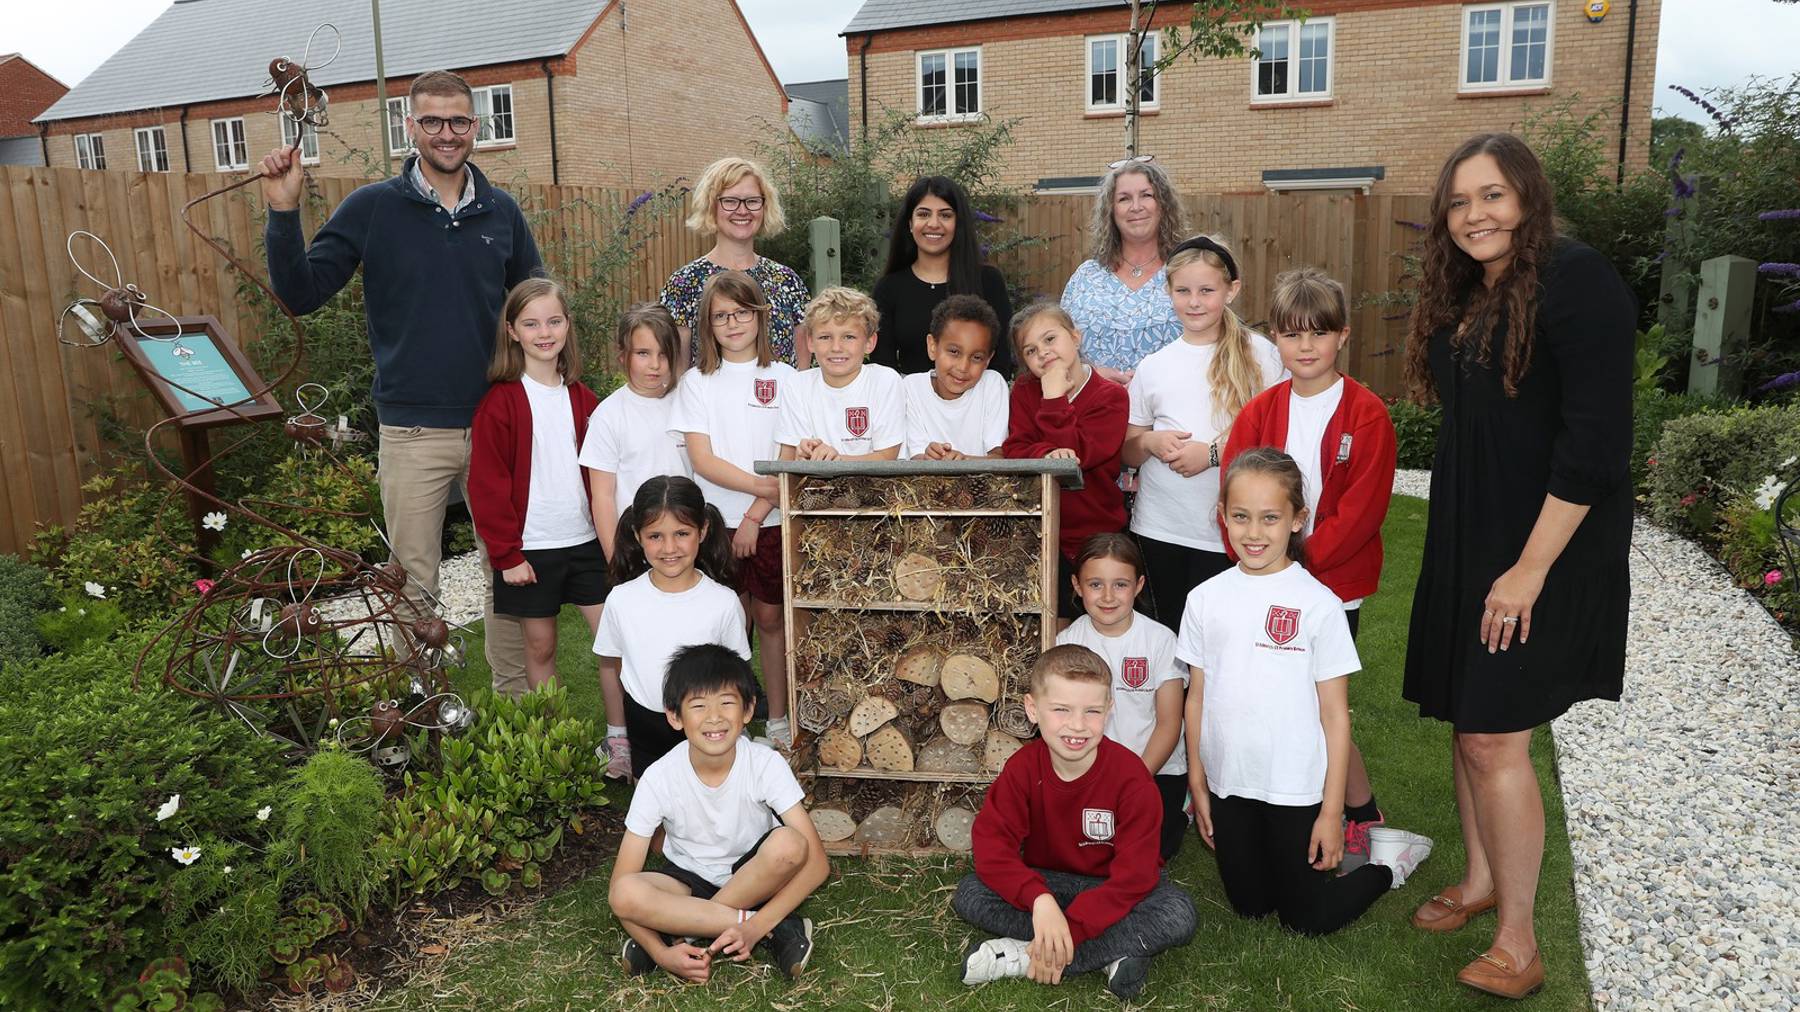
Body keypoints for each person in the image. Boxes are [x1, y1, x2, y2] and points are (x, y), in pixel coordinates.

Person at [1401, 133, 1634, 1000]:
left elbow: (1595, 446)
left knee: (1496, 732)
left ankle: (1519, 941)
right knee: (1469, 718)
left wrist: (1530, 569)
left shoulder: (1577, 280)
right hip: (1474, 536)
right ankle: (1480, 879)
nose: (1474, 216)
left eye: (1492, 195)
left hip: (1547, 545)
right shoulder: (1468, 292)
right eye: (1459, 202)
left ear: (1529, 196)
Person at [259, 70, 542, 696]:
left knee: (508, 568)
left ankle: (517, 705)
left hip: (496, 423)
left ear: (476, 127)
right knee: (413, 580)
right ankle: (422, 706)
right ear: (409, 126)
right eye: (432, 121)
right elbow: (301, 293)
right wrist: (283, 210)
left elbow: (535, 304)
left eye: (459, 121)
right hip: (413, 429)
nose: (447, 133)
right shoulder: (373, 208)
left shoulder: (501, 211)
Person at [1179, 448, 1434, 937]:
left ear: (1298, 519)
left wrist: (1332, 811)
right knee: (1250, 906)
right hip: (1231, 780)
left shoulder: (1319, 605)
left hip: (1294, 788)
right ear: (1222, 516)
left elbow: (1335, 717)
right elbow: (1197, 697)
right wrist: (1198, 781)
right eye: (1241, 516)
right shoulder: (1204, 599)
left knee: (1306, 919)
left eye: (1270, 518)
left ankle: (1389, 864)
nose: (1254, 532)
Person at [1221, 266, 1398, 868]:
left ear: (1342, 335)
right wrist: (1260, 563)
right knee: (1274, 700)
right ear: (1274, 338)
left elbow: (1361, 512)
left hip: (1332, 588)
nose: (1305, 346)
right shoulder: (1259, 412)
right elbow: (1233, 497)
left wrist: (1297, 570)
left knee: (1323, 708)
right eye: (1292, 334)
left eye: (1318, 333)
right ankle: (1281, 803)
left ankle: (1360, 812)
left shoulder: (1366, 414)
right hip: (1263, 580)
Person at [953, 643, 1196, 1001]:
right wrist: (1039, 900)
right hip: (1048, 882)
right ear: (1032, 709)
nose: (1077, 725)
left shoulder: (1132, 778)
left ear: (1109, 710)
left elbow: (1135, 876)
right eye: (1061, 709)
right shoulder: (1022, 769)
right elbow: (992, 848)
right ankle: (1114, 951)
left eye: (1092, 711)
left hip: (1114, 886)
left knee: (1177, 913)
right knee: (971, 894)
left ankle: (1025, 955)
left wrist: (1075, 927)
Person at [609, 644, 827, 983]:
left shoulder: (765, 763)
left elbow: (817, 864)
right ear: (675, 716)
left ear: (748, 709)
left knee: (789, 844)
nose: (714, 717)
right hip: (687, 880)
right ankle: (776, 928)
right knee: (626, 892)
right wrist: (662, 955)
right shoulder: (658, 777)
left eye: (726, 702)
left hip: (757, 873)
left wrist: (666, 939)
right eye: (698, 706)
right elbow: (619, 888)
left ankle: (683, 928)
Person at [1124, 235, 1282, 628]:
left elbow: (1276, 438)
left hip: (1234, 530)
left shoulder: (1261, 355)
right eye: (1183, 291)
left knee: (1227, 634)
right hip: (1161, 527)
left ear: (1232, 290)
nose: (1194, 302)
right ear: (1168, 292)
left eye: (1207, 291)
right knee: (1171, 634)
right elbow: (1127, 449)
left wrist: (1212, 454)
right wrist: (1150, 441)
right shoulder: (1154, 366)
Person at [671, 272, 794, 744]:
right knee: (729, 623)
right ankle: (732, 723)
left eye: (742, 312)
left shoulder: (786, 379)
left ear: (760, 316)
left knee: (772, 620)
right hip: (718, 523)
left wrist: (756, 514)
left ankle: (779, 720)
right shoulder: (697, 383)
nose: (733, 323)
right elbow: (703, 461)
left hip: (773, 521)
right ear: (708, 324)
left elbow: (788, 457)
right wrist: (757, 495)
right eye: (721, 316)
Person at [466, 279, 604, 693]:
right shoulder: (499, 404)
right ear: (512, 331)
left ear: (567, 325)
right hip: (532, 547)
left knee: (614, 641)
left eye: (554, 321)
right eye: (531, 324)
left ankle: (621, 728)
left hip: (587, 542)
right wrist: (507, 555)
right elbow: (487, 487)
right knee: (541, 647)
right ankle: (552, 731)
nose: (544, 333)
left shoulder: (586, 400)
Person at [579, 302, 691, 777]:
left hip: (683, 548)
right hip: (632, 552)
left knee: (685, 641)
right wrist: (616, 559)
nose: (655, 365)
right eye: (643, 354)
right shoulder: (609, 415)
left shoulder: (689, 402)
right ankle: (620, 737)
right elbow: (602, 495)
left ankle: (691, 729)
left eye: (664, 354)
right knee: (622, 648)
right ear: (623, 356)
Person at [593, 476, 748, 780]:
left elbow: (736, 675)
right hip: (644, 728)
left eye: (681, 533)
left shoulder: (723, 602)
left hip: (708, 729)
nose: (669, 548)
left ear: (703, 530)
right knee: (651, 805)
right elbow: (616, 663)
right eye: (655, 536)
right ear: (637, 535)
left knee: (710, 801)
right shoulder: (621, 600)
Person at [1054, 534, 1187, 860]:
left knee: (1145, 854)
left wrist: (1133, 782)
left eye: (1120, 585)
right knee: (1081, 852)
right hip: (1088, 769)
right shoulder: (1067, 643)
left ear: (1138, 585)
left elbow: (1169, 724)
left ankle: (1178, 812)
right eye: (1095, 584)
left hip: (1152, 770)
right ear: (1077, 585)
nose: (1108, 596)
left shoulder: (1160, 640)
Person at [1002, 302, 1128, 629]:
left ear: (1075, 337)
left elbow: (1078, 455)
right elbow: (1015, 448)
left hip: (1097, 531)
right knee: (1051, 623)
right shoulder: (1024, 391)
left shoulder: (1110, 396)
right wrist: (1046, 453)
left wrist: (1054, 398)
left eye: (1050, 339)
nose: (1042, 352)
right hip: (1043, 530)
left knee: (1100, 620)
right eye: (1030, 350)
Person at [660, 157, 810, 367]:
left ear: (765, 206)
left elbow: (803, 370)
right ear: (711, 206)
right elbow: (676, 370)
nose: (742, 210)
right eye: (730, 201)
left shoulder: (787, 281)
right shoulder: (683, 283)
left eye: (752, 201)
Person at [1059, 158, 1188, 386]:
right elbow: (1057, 346)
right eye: (1124, 198)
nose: (1136, 206)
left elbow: (1212, 346)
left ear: (1163, 205)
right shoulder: (1086, 277)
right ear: (1111, 210)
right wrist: (1088, 374)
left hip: (1170, 404)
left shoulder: (1187, 270)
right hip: (1094, 403)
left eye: (1146, 195)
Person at [871, 175, 1014, 378]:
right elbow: (883, 370)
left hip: (977, 397)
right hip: (909, 398)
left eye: (945, 215)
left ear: (958, 223)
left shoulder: (988, 281)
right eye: (923, 214)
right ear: (910, 223)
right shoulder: (888, 288)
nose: (933, 223)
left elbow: (1001, 361)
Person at [776, 288, 904, 462]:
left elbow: (887, 457)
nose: (836, 347)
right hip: (812, 481)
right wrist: (802, 457)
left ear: (869, 342)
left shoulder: (885, 381)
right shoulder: (797, 385)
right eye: (825, 337)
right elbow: (787, 462)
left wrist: (834, 461)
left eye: (849, 337)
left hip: (871, 482)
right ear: (810, 342)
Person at [904, 294, 1008, 460]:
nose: (963, 367)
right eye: (954, 352)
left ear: (988, 360)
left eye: (977, 357)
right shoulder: (911, 388)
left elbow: (999, 458)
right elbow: (914, 457)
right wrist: (928, 459)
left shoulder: (992, 385)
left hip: (985, 478)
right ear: (932, 346)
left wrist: (963, 461)